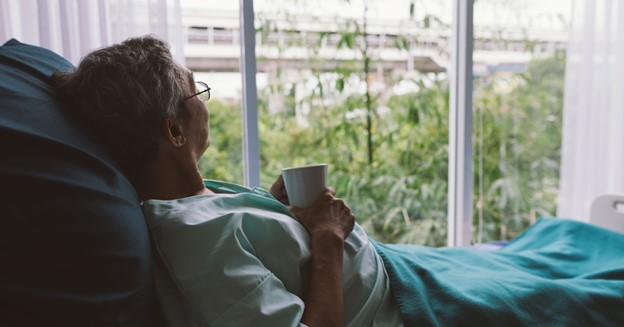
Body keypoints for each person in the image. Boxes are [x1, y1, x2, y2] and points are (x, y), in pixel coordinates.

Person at [53, 35, 624, 327]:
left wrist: (280, 209)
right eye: (196, 91)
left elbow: (258, 249)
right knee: (571, 295)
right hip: (398, 304)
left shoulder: (196, 198)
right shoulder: (192, 243)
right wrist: (326, 240)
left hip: (398, 267)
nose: (208, 102)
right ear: (174, 131)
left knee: (557, 246)